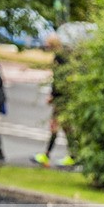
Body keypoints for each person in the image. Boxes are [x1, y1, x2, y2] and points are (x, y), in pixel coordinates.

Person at [33, 33, 75, 168]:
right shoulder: (66, 56)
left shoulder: (60, 58)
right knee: (62, 127)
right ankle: (70, 155)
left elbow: (59, 81)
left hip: (62, 99)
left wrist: (54, 95)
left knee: (57, 126)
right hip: (64, 98)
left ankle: (49, 155)